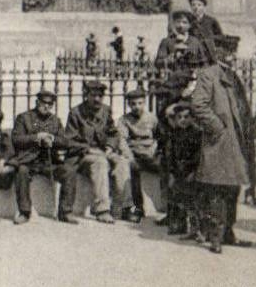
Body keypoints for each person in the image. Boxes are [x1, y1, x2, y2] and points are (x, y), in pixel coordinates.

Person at [189, 33, 255, 254]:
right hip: (221, 140)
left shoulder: (233, 76)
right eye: (228, 52)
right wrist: (217, 127)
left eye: (233, 52)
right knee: (217, 188)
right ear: (219, 53)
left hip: (237, 140)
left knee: (232, 188)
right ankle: (215, 236)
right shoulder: (209, 75)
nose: (232, 56)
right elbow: (198, 105)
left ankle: (228, 233)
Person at [64, 79, 137, 225]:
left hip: (104, 151)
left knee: (122, 162)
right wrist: (88, 149)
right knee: (100, 162)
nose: (97, 99)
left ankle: (125, 208)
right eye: (93, 95)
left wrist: (110, 147)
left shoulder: (105, 110)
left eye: (99, 96)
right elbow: (69, 141)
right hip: (83, 155)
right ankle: (102, 210)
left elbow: (113, 133)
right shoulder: (76, 113)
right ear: (86, 95)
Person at [11, 89, 78, 224]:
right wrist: (36, 137)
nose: (46, 106)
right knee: (21, 172)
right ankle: (24, 212)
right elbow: (16, 139)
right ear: (37, 102)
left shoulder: (55, 120)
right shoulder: (24, 118)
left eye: (50, 104)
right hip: (28, 160)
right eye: (43, 103)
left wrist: (52, 139)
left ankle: (65, 211)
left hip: (49, 161)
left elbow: (65, 142)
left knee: (69, 171)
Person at [158, 100, 203, 239]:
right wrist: (171, 172)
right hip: (178, 172)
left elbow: (199, 155)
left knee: (194, 202)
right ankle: (181, 225)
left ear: (193, 118)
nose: (182, 120)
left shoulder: (197, 133)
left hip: (191, 172)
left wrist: (193, 171)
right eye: (179, 117)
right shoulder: (174, 133)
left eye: (186, 117)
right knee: (180, 200)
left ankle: (198, 230)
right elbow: (170, 154)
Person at [152, 10, 203, 115]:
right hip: (171, 84)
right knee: (168, 113)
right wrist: (170, 58)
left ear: (189, 25)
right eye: (178, 22)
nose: (180, 25)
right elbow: (158, 62)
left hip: (189, 84)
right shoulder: (166, 42)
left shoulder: (195, 42)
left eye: (184, 22)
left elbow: (202, 63)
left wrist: (193, 84)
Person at [120, 87, 160, 220]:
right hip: (135, 153)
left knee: (167, 169)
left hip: (150, 153)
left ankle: (170, 209)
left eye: (140, 103)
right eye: (133, 104)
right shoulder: (124, 120)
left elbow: (158, 137)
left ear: (144, 103)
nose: (137, 107)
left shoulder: (152, 118)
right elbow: (122, 141)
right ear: (129, 105)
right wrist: (130, 157)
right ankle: (137, 208)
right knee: (133, 172)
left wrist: (154, 150)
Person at [187, 0, 223, 64]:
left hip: (209, 53)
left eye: (199, 5)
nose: (196, 7)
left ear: (204, 7)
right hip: (193, 52)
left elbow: (220, 36)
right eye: (193, 5)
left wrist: (209, 39)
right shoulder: (187, 21)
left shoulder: (211, 21)